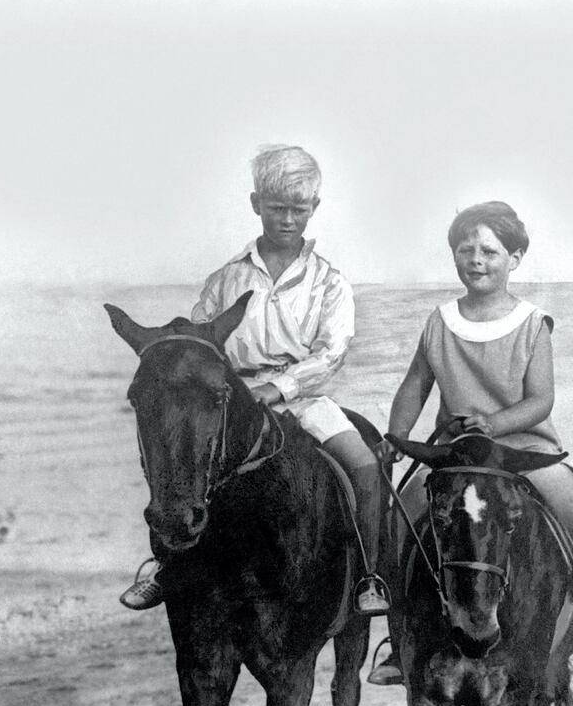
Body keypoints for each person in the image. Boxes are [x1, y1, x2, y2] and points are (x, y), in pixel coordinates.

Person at [120, 144, 390, 616]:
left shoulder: (329, 282)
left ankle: (369, 576)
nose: (287, 219)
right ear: (255, 205)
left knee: (365, 469)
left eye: (298, 210)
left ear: (314, 209)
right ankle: (167, 566)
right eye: (276, 208)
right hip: (231, 402)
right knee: (179, 459)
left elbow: (332, 353)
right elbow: (201, 345)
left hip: (305, 402)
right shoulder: (225, 279)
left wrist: (279, 387)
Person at [369, 200, 573, 682]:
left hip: (524, 450)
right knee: (398, 520)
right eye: (466, 250)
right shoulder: (440, 321)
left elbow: (540, 401)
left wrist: (494, 423)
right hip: (454, 453)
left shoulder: (531, 323)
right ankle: (399, 639)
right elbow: (414, 386)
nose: (477, 259)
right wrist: (397, 438)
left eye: (490, 250)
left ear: (515, 258)